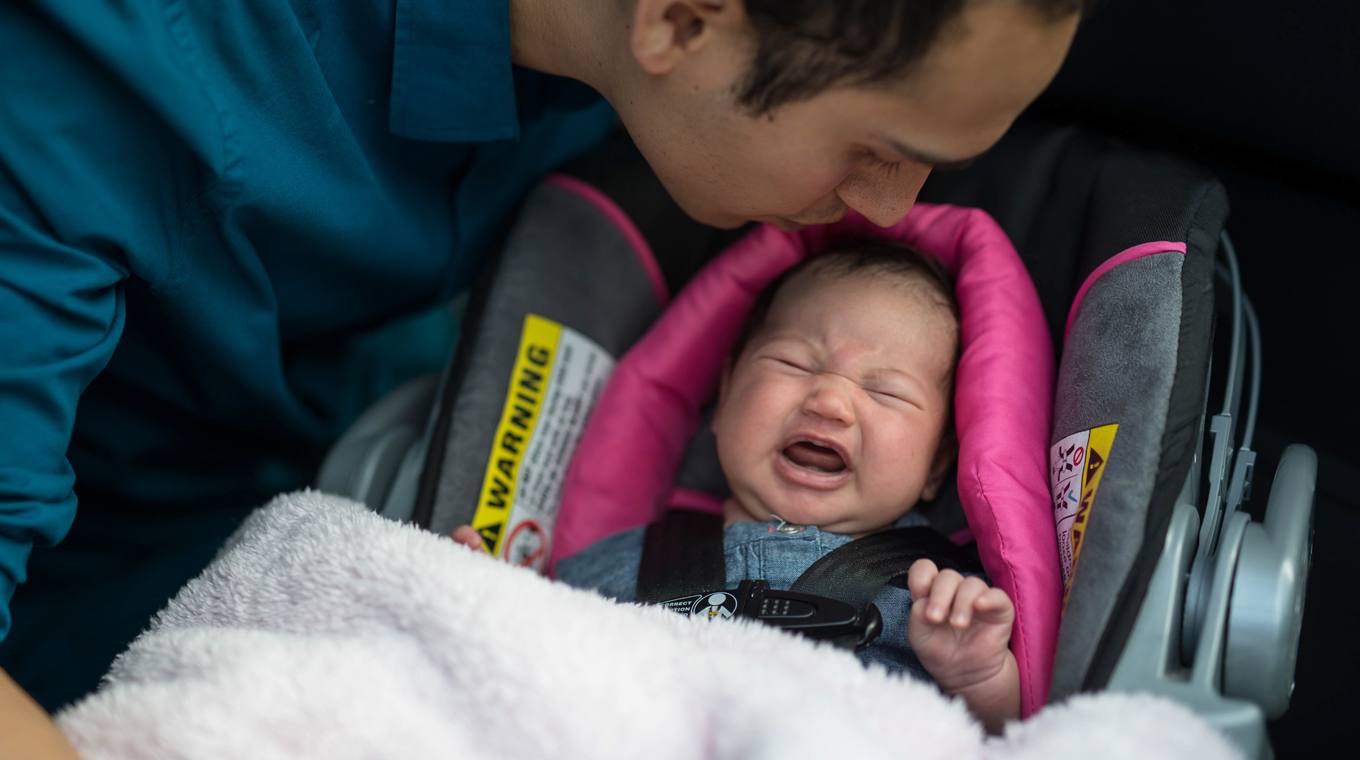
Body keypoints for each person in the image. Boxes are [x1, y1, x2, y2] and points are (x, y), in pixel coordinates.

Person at [0, 0, 1085, 750]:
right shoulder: (96, 86)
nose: (896, 209)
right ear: (677, 20)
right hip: (107, 551)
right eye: (876, 147)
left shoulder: (619, 62)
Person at [453, 243, 1019, 732]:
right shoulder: (624, 558)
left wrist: (979, 677)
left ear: (938, 462)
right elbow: (538, 661)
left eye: (888, 393)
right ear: (724, 396)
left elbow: (1009, 740)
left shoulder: (944, 597)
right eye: (794, 362)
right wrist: (487, 600)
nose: (829, 401)